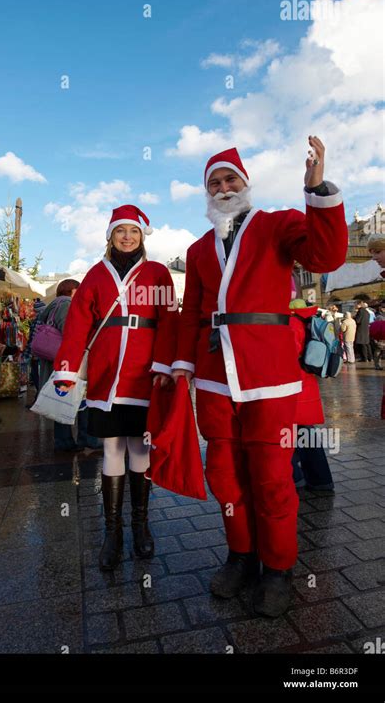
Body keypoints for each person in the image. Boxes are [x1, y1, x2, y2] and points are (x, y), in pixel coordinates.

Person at [171, 137, 348, 617]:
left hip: (268, 375)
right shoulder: (197, 249)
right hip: (213, 377)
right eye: (215, 182)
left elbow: (326, 255)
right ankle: (241, 556)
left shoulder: (277, 225)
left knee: (272, 478)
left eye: (231, 180)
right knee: (226, 477)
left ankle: (277, 569)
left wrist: (317, 190)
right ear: (206, 192)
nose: (224, 187)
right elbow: (191, 314)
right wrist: (183, 364)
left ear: (245, 184)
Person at [53, 205, 178, 571]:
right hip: (107, 377)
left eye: (134, 231)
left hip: (145, 374)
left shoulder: (157, 274)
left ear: (142, 236)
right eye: (121, 231)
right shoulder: (95, 275)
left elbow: (170, 321)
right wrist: (67, 369)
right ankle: (113, 532)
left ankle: (140, 526)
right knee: (111, 448)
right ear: (110, 236)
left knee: (140, 448)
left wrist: (166, 365)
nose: (127, 237)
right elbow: (77, 325)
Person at [37, 279, 98, 451]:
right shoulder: (66, 304)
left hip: (57, 360)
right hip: (69, 362)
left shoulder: (53, 305)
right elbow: (70, 332)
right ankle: (75, 440)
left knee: (62, 399)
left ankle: (67, 440)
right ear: (72, 291)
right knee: (79, 398)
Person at [289, 299, 334, 495]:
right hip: (308, 386)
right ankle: (321, 480)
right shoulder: (311, 321)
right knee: (307, 435)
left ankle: (295, 478)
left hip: (294, 388)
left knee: (286, 434)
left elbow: (288, 355)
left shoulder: (292, 324)